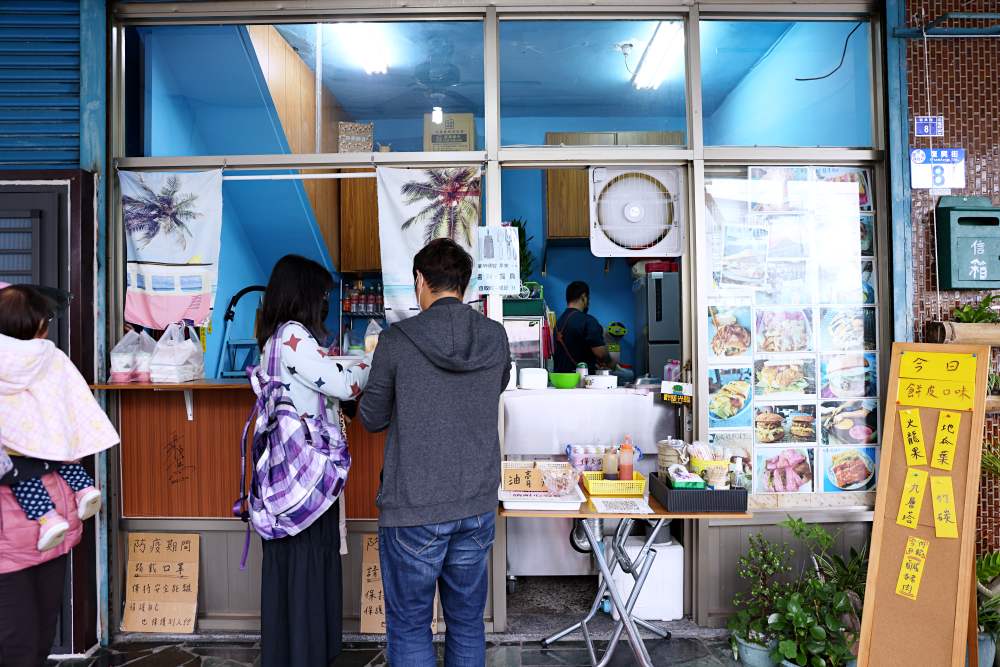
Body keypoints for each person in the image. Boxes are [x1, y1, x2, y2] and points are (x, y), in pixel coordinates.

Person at [359, 238, 510, 667]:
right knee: (466, 623)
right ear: (464, 284)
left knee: (409, 626)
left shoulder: (397, 340)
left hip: (414, 506)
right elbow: (493, 387)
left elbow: (371, 417)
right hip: (477, 501)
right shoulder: (494, 336)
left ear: (421, 281)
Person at [254, 255, 372, 667]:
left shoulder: (274, 337)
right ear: (305, 295)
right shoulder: (293, 336)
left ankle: (289, 651)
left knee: (290, 566)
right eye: (322, 294)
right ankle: (308, 652)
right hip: (305, 478)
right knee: (309, 559)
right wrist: (374, 359)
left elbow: (322, 373)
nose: (325, 301)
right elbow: (340, 382)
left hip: (283, 474)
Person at [0, 283, 119, 666]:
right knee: (22, 644)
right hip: (15, 541)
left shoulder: (47, 362)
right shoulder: (51, 361)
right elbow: (72, 422)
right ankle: (84, 491)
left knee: (33, 642)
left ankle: (78, 495)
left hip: (48, 529)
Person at [0, 286, 103, 552]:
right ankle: (85, 488)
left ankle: (47, 518)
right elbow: (70, 394)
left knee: (23, 475)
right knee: (60, 453)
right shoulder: (49, 355)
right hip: (49, 432)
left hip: (14, 446)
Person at [552, 281, 613, 374]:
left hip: (561, 381)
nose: (588, 301)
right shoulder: (588, 321)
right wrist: (611, 362)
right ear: (584, 297)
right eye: (588, 298)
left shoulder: (557, 323)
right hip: (582, 382)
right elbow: (600, 353)